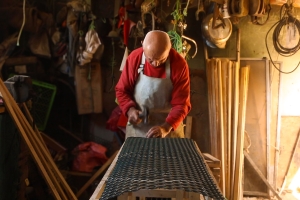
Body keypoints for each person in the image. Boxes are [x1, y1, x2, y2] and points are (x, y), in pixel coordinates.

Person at [115, 30, 191, 138]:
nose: (155, 64)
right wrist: (130, 110)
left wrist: (166, 127)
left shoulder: (179, 65)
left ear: (169, 49)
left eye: (161, 60)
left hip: (168, 130)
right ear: (142, 46)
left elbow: (181, 103)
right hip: (139, 130)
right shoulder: (134, 58)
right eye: (150, 60)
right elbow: (122, 90)